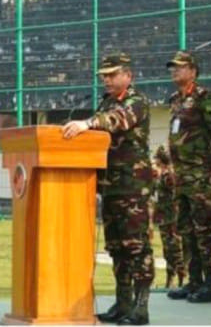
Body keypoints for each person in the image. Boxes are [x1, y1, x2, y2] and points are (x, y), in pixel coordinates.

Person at [62, 52, 153, 325]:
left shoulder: (137, 102)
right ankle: (123, 304)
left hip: (132, 186)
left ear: (128, 75)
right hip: (110, 186)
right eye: (104, 75)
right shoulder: (107, 103)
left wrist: (86, 123)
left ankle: (141, 308)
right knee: (117, 247)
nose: (107, 80)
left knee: (136, 247)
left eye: (112, 75)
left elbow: (117, 120)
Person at [164, 50, 211, 303]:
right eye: (173, 68)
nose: (175, 71)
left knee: (206, 231)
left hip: (203, 177)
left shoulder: (206, 98)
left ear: (193, 71)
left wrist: (207, 161)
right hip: (182, 178)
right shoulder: (175, 99)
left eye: (180, 67)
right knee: (186, 230)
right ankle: (194, 282)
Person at [153, 145, 185, 288]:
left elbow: (175, 195)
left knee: (175, 250)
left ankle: (181, 279)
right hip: (164, 218)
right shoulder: (162, 175)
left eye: (157, 159)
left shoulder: (169, 176)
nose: (154, 161)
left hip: (172, 219)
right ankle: (170, 279)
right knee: (168, 251)